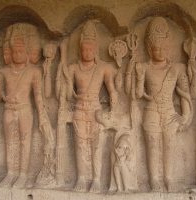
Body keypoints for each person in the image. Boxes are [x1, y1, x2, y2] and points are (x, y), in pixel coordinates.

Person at [134, 17, 193, 192]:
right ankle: (154, 181)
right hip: (151, 111)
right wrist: (137, 77)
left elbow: (185, 94)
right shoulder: (144, 67)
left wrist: (186, 116)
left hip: (169, 112)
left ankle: (169, 179)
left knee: (169, 146)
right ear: (149, 49)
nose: (160, 51)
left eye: (164, 48)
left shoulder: (178, 68)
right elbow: (137, 94)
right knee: (153, 146)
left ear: (169, 47)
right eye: (156, 48)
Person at [0, 23, 49, 188]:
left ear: (28, 52)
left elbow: (38, 97)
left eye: (21, 51)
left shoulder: (34, 72)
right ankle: (11, 173)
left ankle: (22, 174)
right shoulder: (4, 72)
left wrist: (42, 116)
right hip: (9, 110)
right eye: (14, 51)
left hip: (25, 110)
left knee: (24, 141)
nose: (17, 54)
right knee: (10, 142)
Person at [65, 21, 117, 192]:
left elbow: (112, 91)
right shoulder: (73, 68)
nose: (87, 52)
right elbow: (67, 94)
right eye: (84, 49)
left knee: (96, 146)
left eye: (90, 49)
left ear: (96, 50)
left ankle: (95, 179)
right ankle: (81, 177)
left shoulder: (104, 68)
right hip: (79, 110)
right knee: (80, 146)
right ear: (80, 50)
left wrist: (112, 110)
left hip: (95, 110)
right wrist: (64, 79)